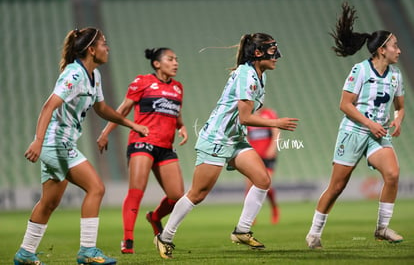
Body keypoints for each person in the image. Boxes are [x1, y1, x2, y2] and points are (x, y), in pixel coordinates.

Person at [153, 33, 299, 259]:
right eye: (272, 51)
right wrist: (275, 123)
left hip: (234, 139)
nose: (277, 56)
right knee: (197, 194)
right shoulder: (246, 75)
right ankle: (165, 237)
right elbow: (245, 117)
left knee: (262, 180)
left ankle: (242, 230)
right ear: (258, 53)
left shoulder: (259, 75)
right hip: (216, 139)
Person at [14, 27, 149, 265]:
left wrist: (131, 124)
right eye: (104, 43)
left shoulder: (93, 76)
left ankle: (25, 253)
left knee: (49, 203)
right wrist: (38, 140)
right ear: (91, 49)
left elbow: (102, 109)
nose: (107, 48)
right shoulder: (74, 75)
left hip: (61, 143)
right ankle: (87, 251)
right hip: (56, 142)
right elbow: (48, 107)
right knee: (96, 187)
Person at [306, 2, 405, 249]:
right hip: (354, 132)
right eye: (395, 46)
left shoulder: (395, 76)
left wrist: (398, 119)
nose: (399, 51)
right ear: (382, 50)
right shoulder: (360, 70)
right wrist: (370, 123)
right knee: (337, 186)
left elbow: (400, 106)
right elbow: (345, 104)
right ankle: (314, 233)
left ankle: (382, 228)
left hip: (377, 135)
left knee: (392, 174)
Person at [97, 47, 187, 254]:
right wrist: (105, 132)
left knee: (177, 197)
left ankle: (154, 217)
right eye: (171, 59)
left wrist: (181, 127)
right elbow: (123, 110)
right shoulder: (142, 82)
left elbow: (175, 113)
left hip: (166, 147)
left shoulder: (178, 88)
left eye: (177, 59)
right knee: (136, 191)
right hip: (142, 142)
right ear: (157, 63)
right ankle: (128, 239)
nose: (176, 63)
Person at [246, 107, 280, 224]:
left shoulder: (269, 113)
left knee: (267, 184)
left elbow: (276, 132)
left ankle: (274, 208)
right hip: (253, 156)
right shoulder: (246, 115)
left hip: (267, 156)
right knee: (250, 186)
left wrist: (273, 147)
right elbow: (245, 136)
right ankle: (251, 216)